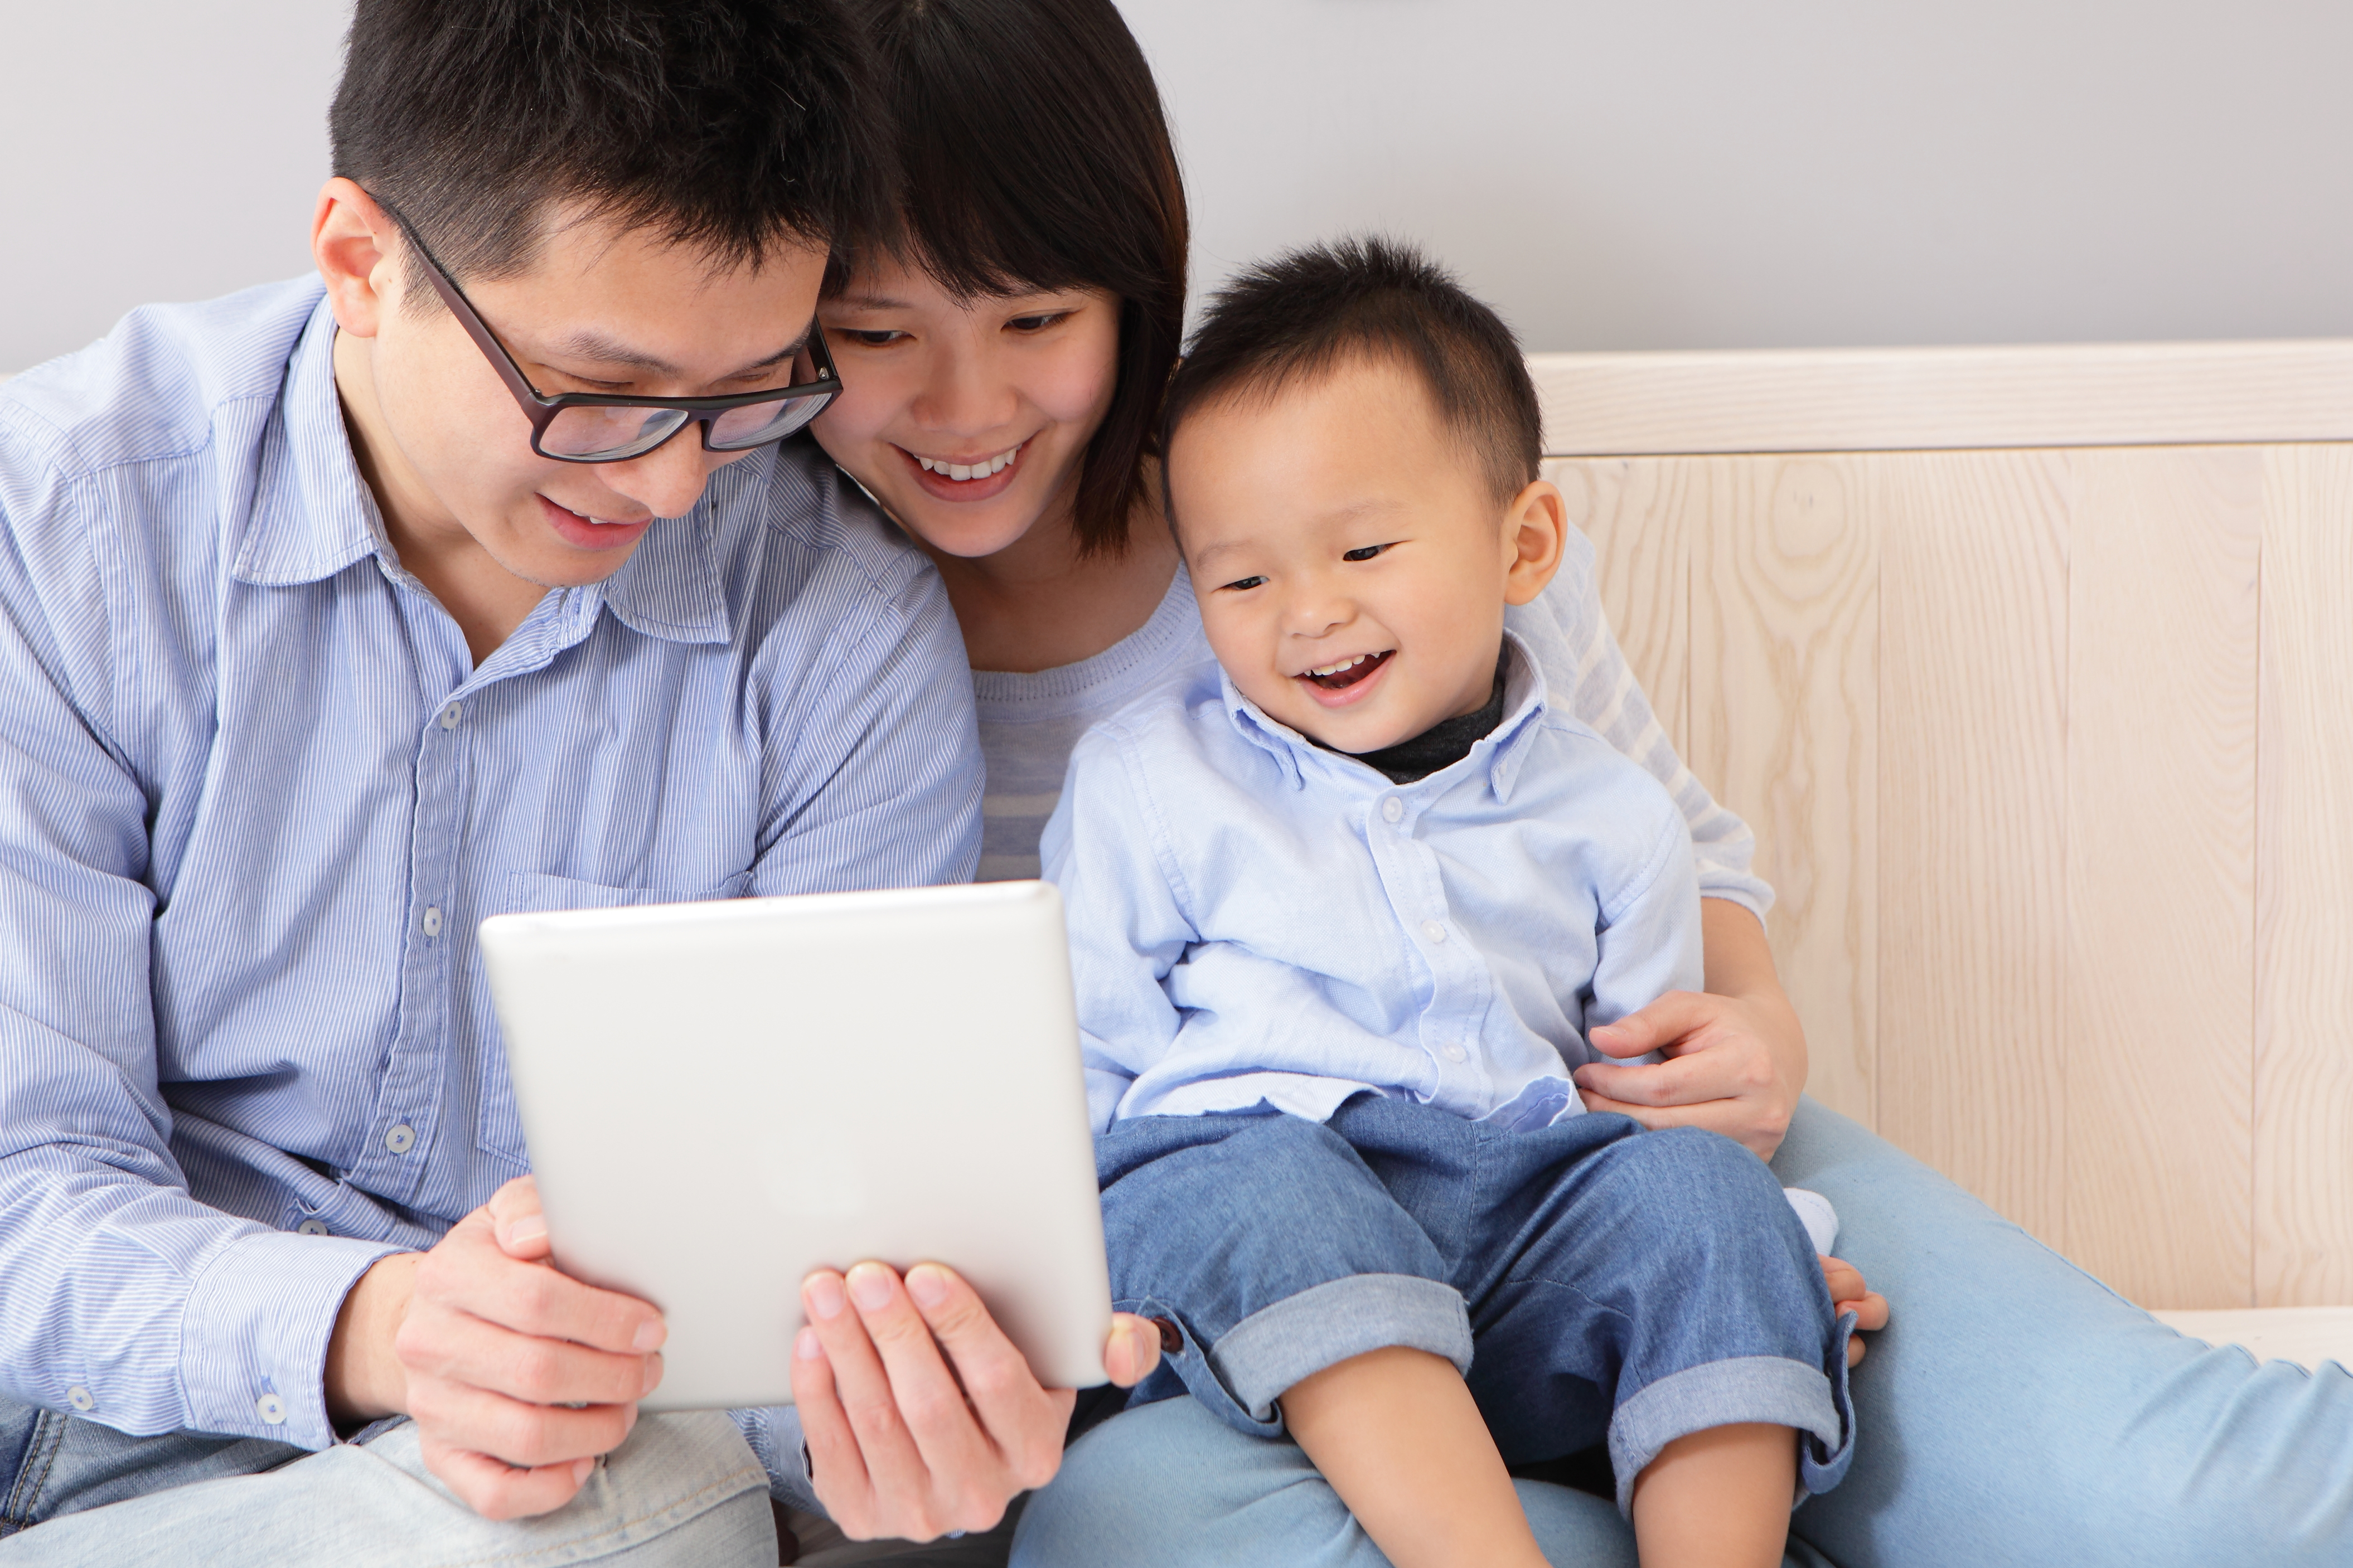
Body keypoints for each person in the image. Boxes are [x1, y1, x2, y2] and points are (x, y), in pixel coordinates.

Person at [806, 3, 2353, 1565]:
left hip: (1576, 1133)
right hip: (1210, 1248)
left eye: (1036, 320)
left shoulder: (1389, 499)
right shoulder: (775, 634)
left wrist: (1742, 1069)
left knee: (2213, 1503)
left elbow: (1668, 854)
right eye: (876, 335)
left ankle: (1704, 1420)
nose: (967, 408)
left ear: (1134, 290)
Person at [0, 3, 1164, 1563]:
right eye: (596, 389)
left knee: (627, 1519)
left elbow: (787, 1282)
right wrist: (387, 1323)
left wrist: (887, 1414)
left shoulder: (839, 626)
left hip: (540, 1489)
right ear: (362, 262)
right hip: (75, 1402)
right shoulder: (67, 525)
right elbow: (22, 1181)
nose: (671, 480)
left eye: (749, 392)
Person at [1045, 236, 1859, 1568]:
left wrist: (1764, 1253)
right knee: (1256, 1179)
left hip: (1521, 1212)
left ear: (1523, 541)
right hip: (1251, 1228)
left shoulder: (1610, 815)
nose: (1309, 613)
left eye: (1363, 547)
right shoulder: (1151, 783)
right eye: (1241, 581)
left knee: (1705, 1205)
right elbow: (1083, 1061)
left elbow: (1652, 1097)